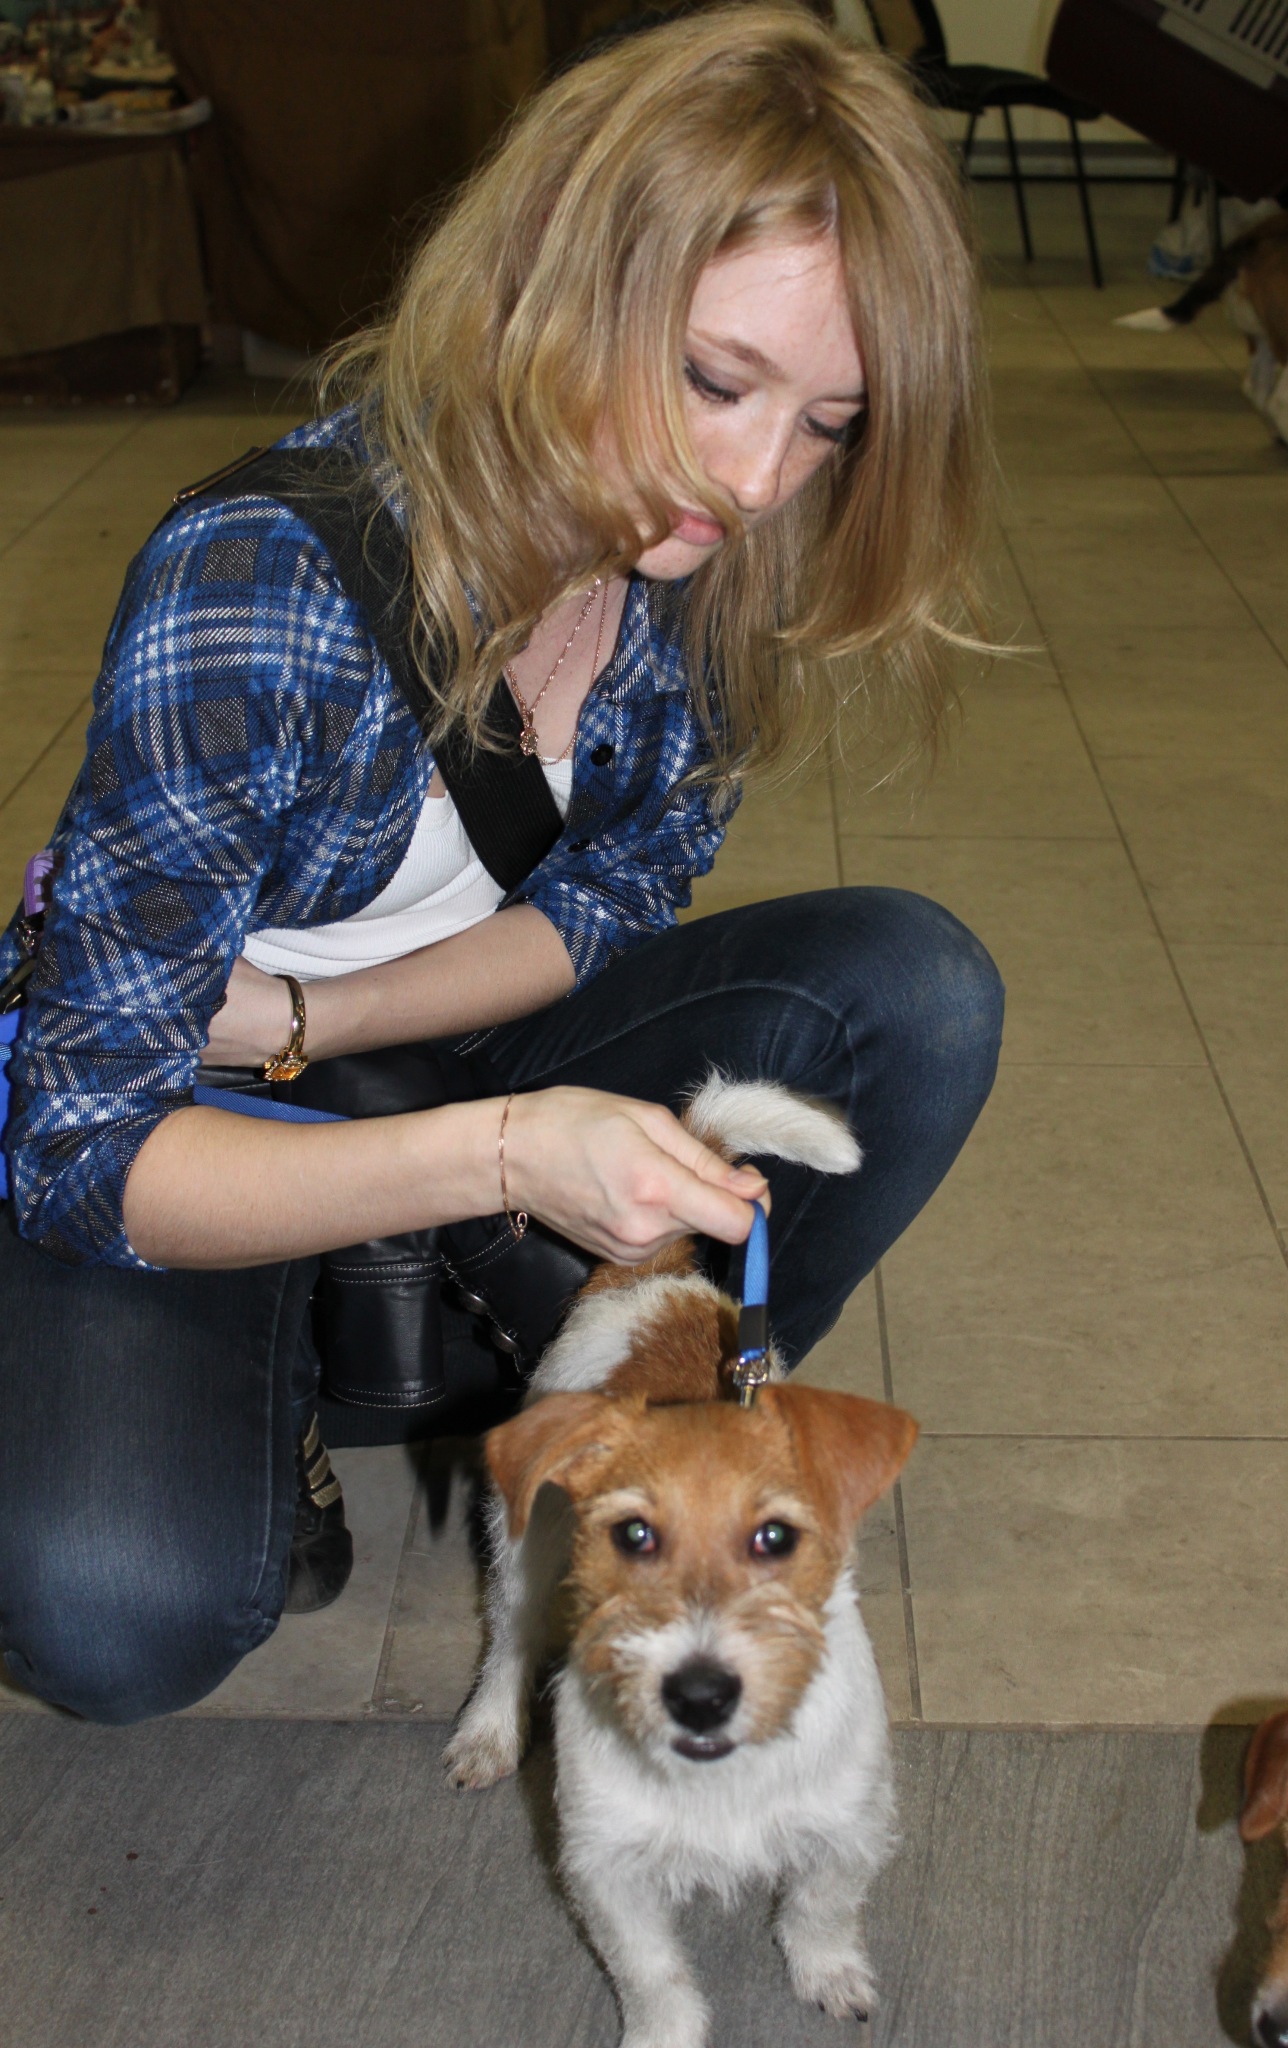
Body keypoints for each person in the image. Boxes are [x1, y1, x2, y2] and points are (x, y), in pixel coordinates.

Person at [0, 3, 1003, 1723]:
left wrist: (310, 1019)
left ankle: (643, 1412)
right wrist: (500, 1150)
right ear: (554, 281)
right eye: (713, 381)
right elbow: (82, 1148)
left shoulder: (701, 571)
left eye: (828, 422)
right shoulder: (259, 581)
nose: (757, 479)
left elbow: (609, 900)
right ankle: (290, 1381)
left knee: (913, 989)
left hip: (378, 1044)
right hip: (185, 1130)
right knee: (117, 1611)